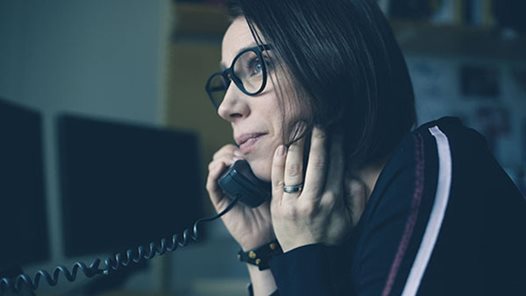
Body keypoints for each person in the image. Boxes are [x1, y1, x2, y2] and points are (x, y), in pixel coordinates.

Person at [204, 0, 526, 295]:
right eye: (228, 80)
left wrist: (306, 253)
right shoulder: (328, 224)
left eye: (256, 66)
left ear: (328, 60)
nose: (227, 107)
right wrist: (263, 250)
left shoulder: (439, 163)